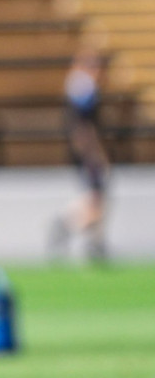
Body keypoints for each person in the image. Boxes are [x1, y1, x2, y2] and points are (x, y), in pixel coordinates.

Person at [49, 47, 109, 262]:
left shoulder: (80, 87)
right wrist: (93, 153)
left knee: (95, 197)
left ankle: (93, 241)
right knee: (95, 197)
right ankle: (67, 226)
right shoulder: (83, 89)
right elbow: (82, 127)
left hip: (84, 153)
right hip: (86, 154)